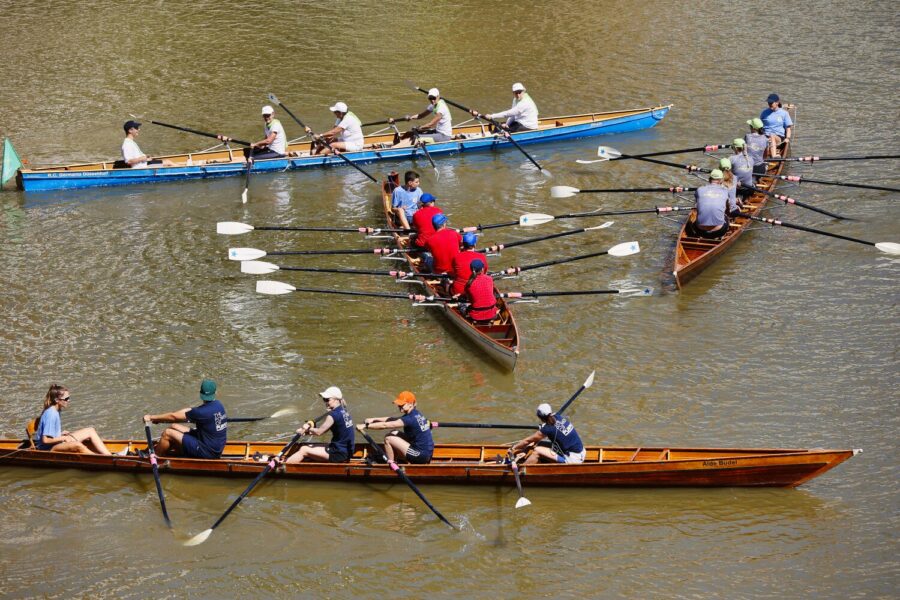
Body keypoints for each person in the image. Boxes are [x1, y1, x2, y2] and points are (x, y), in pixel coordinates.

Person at [142, 379, 227, 459]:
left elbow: (173, 417)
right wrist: (159, 419)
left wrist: (151, 417)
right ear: (215, 392)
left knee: (167, 433)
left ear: (200, 393)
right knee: (174, 426)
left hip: (208, 452)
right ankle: (175, 448)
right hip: (215, 446)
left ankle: (155, 456)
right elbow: (187, 411)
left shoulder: (201, 412)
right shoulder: (219, 405)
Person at [356, 391, 433, 464]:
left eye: (402, 404)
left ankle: (391, 464)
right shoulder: (415, 413)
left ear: (411, 404)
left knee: (388, 438)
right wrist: (373, 419)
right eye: (399, 404)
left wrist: (365, 426)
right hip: (427, 452)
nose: (399, 406)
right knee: (394, 433)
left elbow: (385, 425)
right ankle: (399, 459)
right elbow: (392, 419)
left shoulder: (409, 418)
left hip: (421, 456)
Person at [282, 386, 355, 464]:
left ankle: (284, 466)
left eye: (327, 400)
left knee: (304, 449)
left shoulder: (332, 415)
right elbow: (324, 430)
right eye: (324, 400)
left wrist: (307, 428)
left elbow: (319, 432)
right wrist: (306, 432)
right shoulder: (344, 411)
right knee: (310, 445)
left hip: (338, 453)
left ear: (336, 399)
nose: (325, 402)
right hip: (345, 450)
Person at [34, 384, 112, 454]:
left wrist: (60, 434)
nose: (68, 400)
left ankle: (110, 456)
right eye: (66, 399)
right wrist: (64, 438)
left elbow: (49, 434)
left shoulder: (56, 410)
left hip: (55, 444)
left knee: (90, 430)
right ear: (57, 400)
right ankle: (103, 459)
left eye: (69, 398)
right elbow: (45, 440)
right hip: (48, 449)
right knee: (77, 445)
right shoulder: (51, 414)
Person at [509, 403, 585, 465]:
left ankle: (522, 470)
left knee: (537, 451)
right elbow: (535, 439)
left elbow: (527, 441)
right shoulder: (559, 417)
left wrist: (513, 448)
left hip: (573, 460)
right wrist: (525, 449)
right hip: (582, 452)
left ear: (540, 418)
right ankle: (523, 454)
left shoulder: (548, 429)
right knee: (539, 443)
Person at [471, 82, 539, 132]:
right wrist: (507, 125)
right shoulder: (515, 99)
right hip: (519, 122)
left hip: (529, 126)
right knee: (499, 126)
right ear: (513, 93)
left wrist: (492, 116)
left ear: (523, 91)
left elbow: (508, 113)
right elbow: (512, 116)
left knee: (504, 129)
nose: (518, 94)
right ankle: (497, 133)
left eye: (519, 92)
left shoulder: (525, 102)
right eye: (516, 92)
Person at [690, 169, 739, 239]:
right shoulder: (725, 191)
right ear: (721, 180)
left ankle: (700, 235)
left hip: (699, 230)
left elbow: (697, 206)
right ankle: (720, 237)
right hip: (719, 231)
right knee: (726, 216)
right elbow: (728, 211)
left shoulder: (699, 189)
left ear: (709, 179)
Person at [457, 259, 499, 324]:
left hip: (476, 317)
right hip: (493, 315)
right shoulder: (490, 279)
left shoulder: (469, 284)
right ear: (482, 269)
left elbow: (470, 299)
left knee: (461, 304)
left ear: (471, 270)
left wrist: (459, 296)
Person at [450, 232, 488, 296]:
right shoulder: (481, 257)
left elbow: (453, 271)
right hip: (476, 291)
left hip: (458, 291)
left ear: (463, 244)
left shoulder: (456, 257)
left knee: (446, 283)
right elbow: (484, 272)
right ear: (475, 244)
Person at [760, 93, 792, 158]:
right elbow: (760, 127)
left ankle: (774, 156)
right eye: (768, 103)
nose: (769, 104)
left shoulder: (784, 113)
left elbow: (788, 128)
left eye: (771, 103)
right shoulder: (764, 113)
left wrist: (787, 138)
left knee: (772, 136)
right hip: (766, 137)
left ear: (777, 103)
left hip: (779, 138)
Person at [729, 138, 755, 203]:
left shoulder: (731, 158)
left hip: (736, 188)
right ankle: (746, 199)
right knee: (753, 183)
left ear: (735, 148)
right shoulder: (751, 158)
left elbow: (726, 175)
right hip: (748, 188)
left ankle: (735, 199)